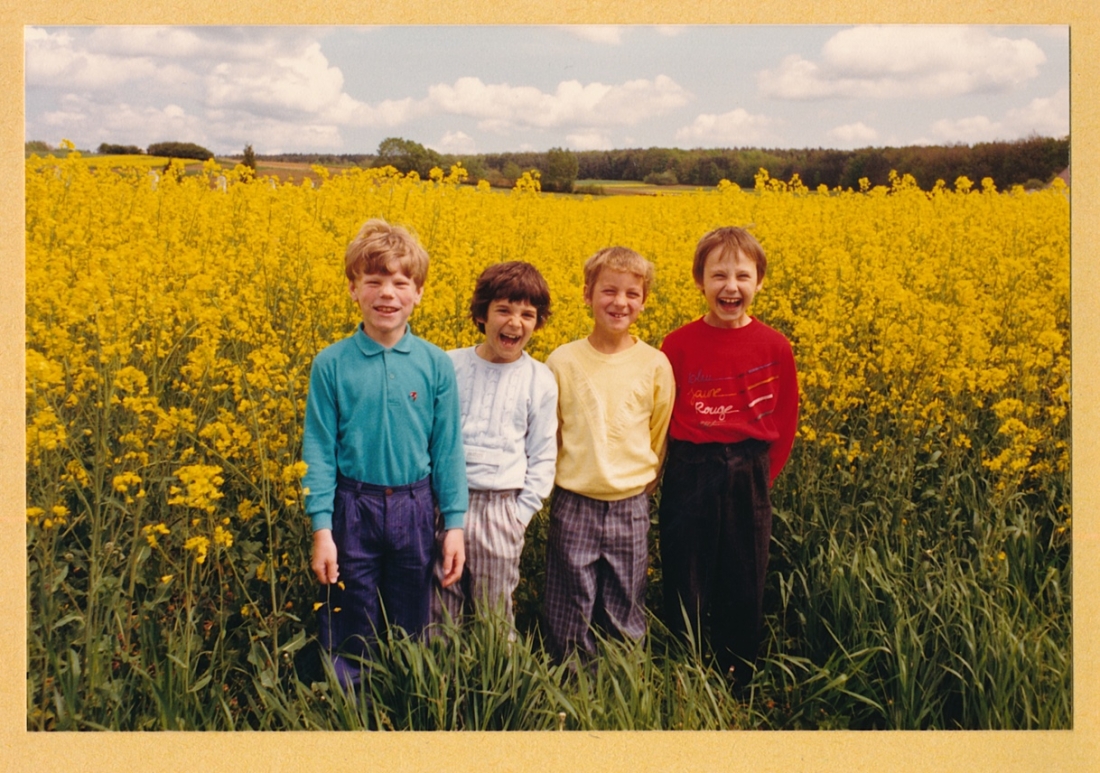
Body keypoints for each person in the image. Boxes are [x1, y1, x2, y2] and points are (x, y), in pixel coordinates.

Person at [301, 218, 467, 686]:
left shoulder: (435, 363)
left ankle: (407, 697)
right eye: (373, 281)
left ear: (419, 293)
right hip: (352, 506)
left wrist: (454, 524)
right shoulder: (330, 363)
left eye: (400, 282)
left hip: (416, 506)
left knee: (412, 612)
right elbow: (318, 449)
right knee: (348, 612)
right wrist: (322, 529)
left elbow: (448, 448)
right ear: (353, 290)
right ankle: (351, 708)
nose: (387, 294)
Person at [658, 226, 799, 684]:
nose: (730, 287)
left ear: (760, 282)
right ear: (700, 281)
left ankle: (739, 675)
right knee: (686, 571)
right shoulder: (676, 345)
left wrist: (760, 478)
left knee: (744, 574)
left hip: (748, 471)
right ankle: (684, 670)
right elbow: (662, 416)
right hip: (690, 470)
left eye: (742, 276)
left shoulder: (775, 346)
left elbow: (786, 420)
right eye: (718, 275)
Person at [542, 246, 675, 663]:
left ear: (643, 301)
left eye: (632, 294)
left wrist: (639, 485)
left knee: (626, 597)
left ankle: (622, 678)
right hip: (574, 502)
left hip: (630, 504)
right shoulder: (561, 360)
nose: (620, 302)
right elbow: (555, 434)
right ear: (587, 294)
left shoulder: (655, 364)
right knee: (568, 600)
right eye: (609, 291)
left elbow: (659, 435)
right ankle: (568, 678)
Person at [431, 261, 558, 633]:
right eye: (503, 310)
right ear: (481, 315)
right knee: (440, 609)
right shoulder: (449, 366)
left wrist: (519, 516)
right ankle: (441, 684)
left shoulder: (540, 379)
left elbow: (543, 455)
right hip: (447, 505)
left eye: (527, 314)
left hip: (502, 508)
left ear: (537, 322)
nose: (514, 322)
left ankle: (499, 680)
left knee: (494, 613)